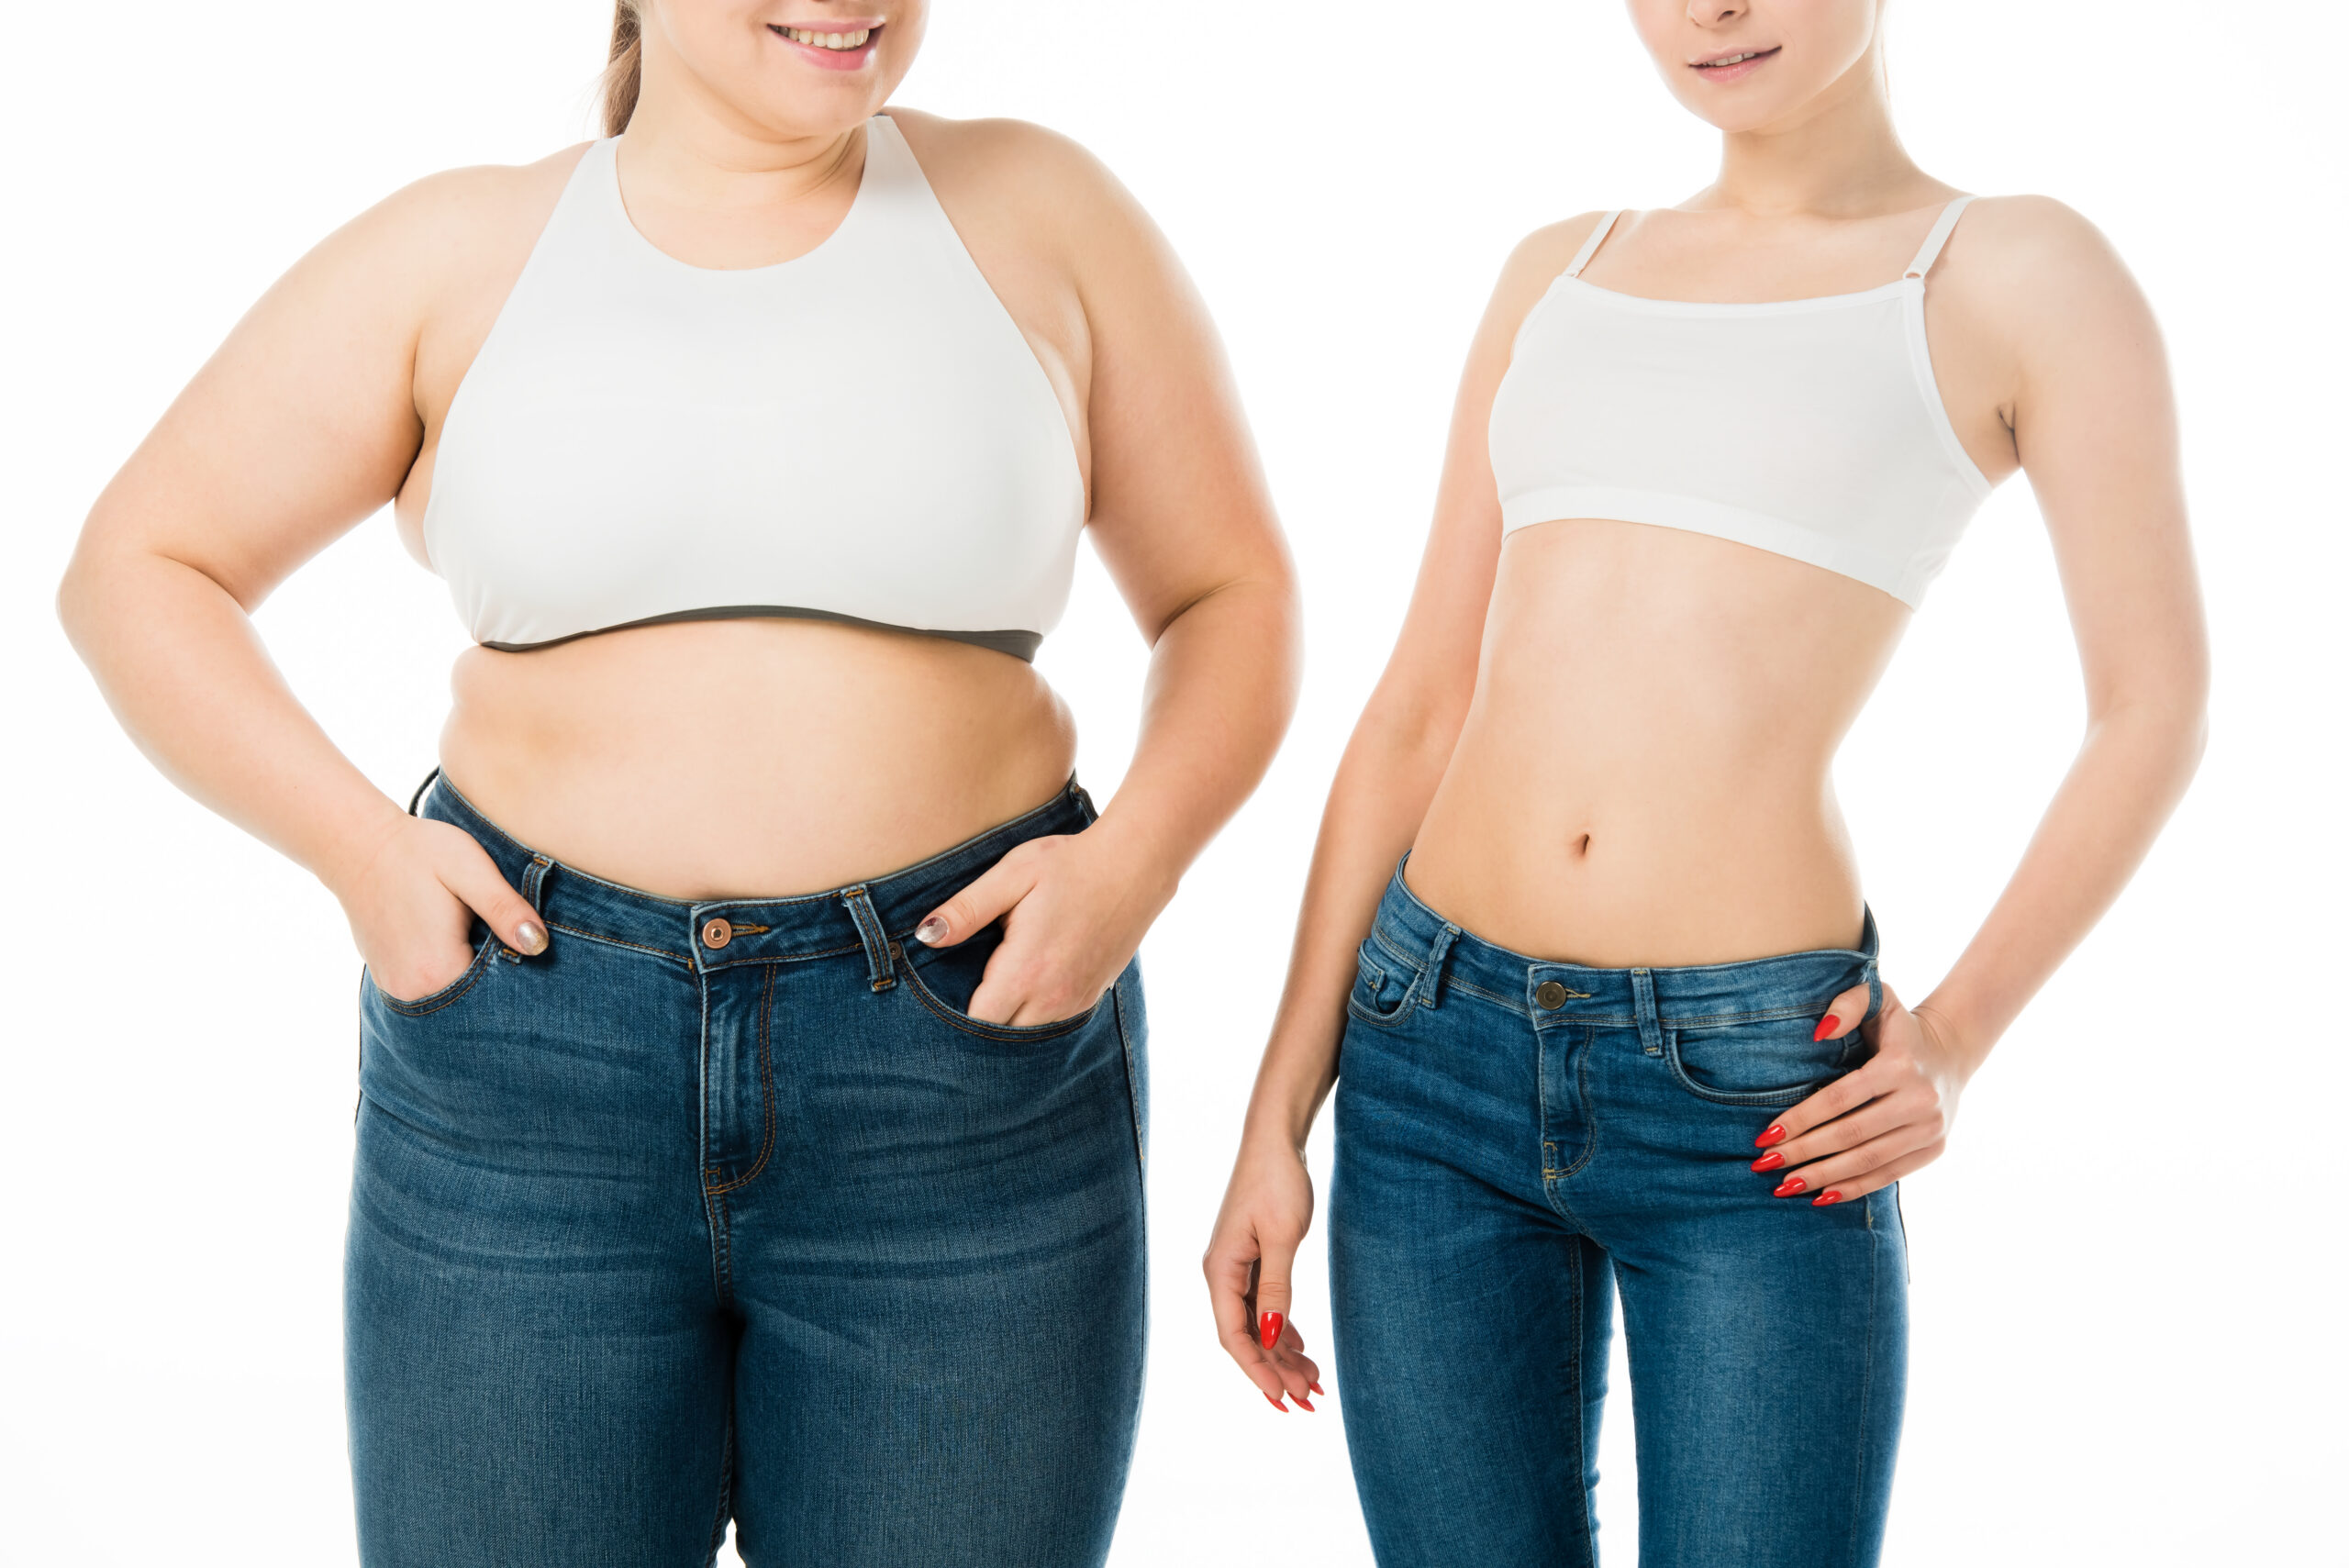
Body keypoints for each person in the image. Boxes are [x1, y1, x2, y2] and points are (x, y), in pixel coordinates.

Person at [59, 4, 1297, 1564]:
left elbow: (1231, 596)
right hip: (528, 1072)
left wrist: (1131, 871)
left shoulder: (1043, 215)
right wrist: (366, 856)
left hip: (962, 1065)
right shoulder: (464, 253)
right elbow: (139, 568)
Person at [1203, 2, 2206, 1562]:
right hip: (1429, 1070)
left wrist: (1951, 1040)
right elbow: (1417, 704)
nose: (1712, 10)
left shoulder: (2014, 273)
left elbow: (2154, 704)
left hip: (1752, 1102)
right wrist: (1279, 1107)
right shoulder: (1563, 267)